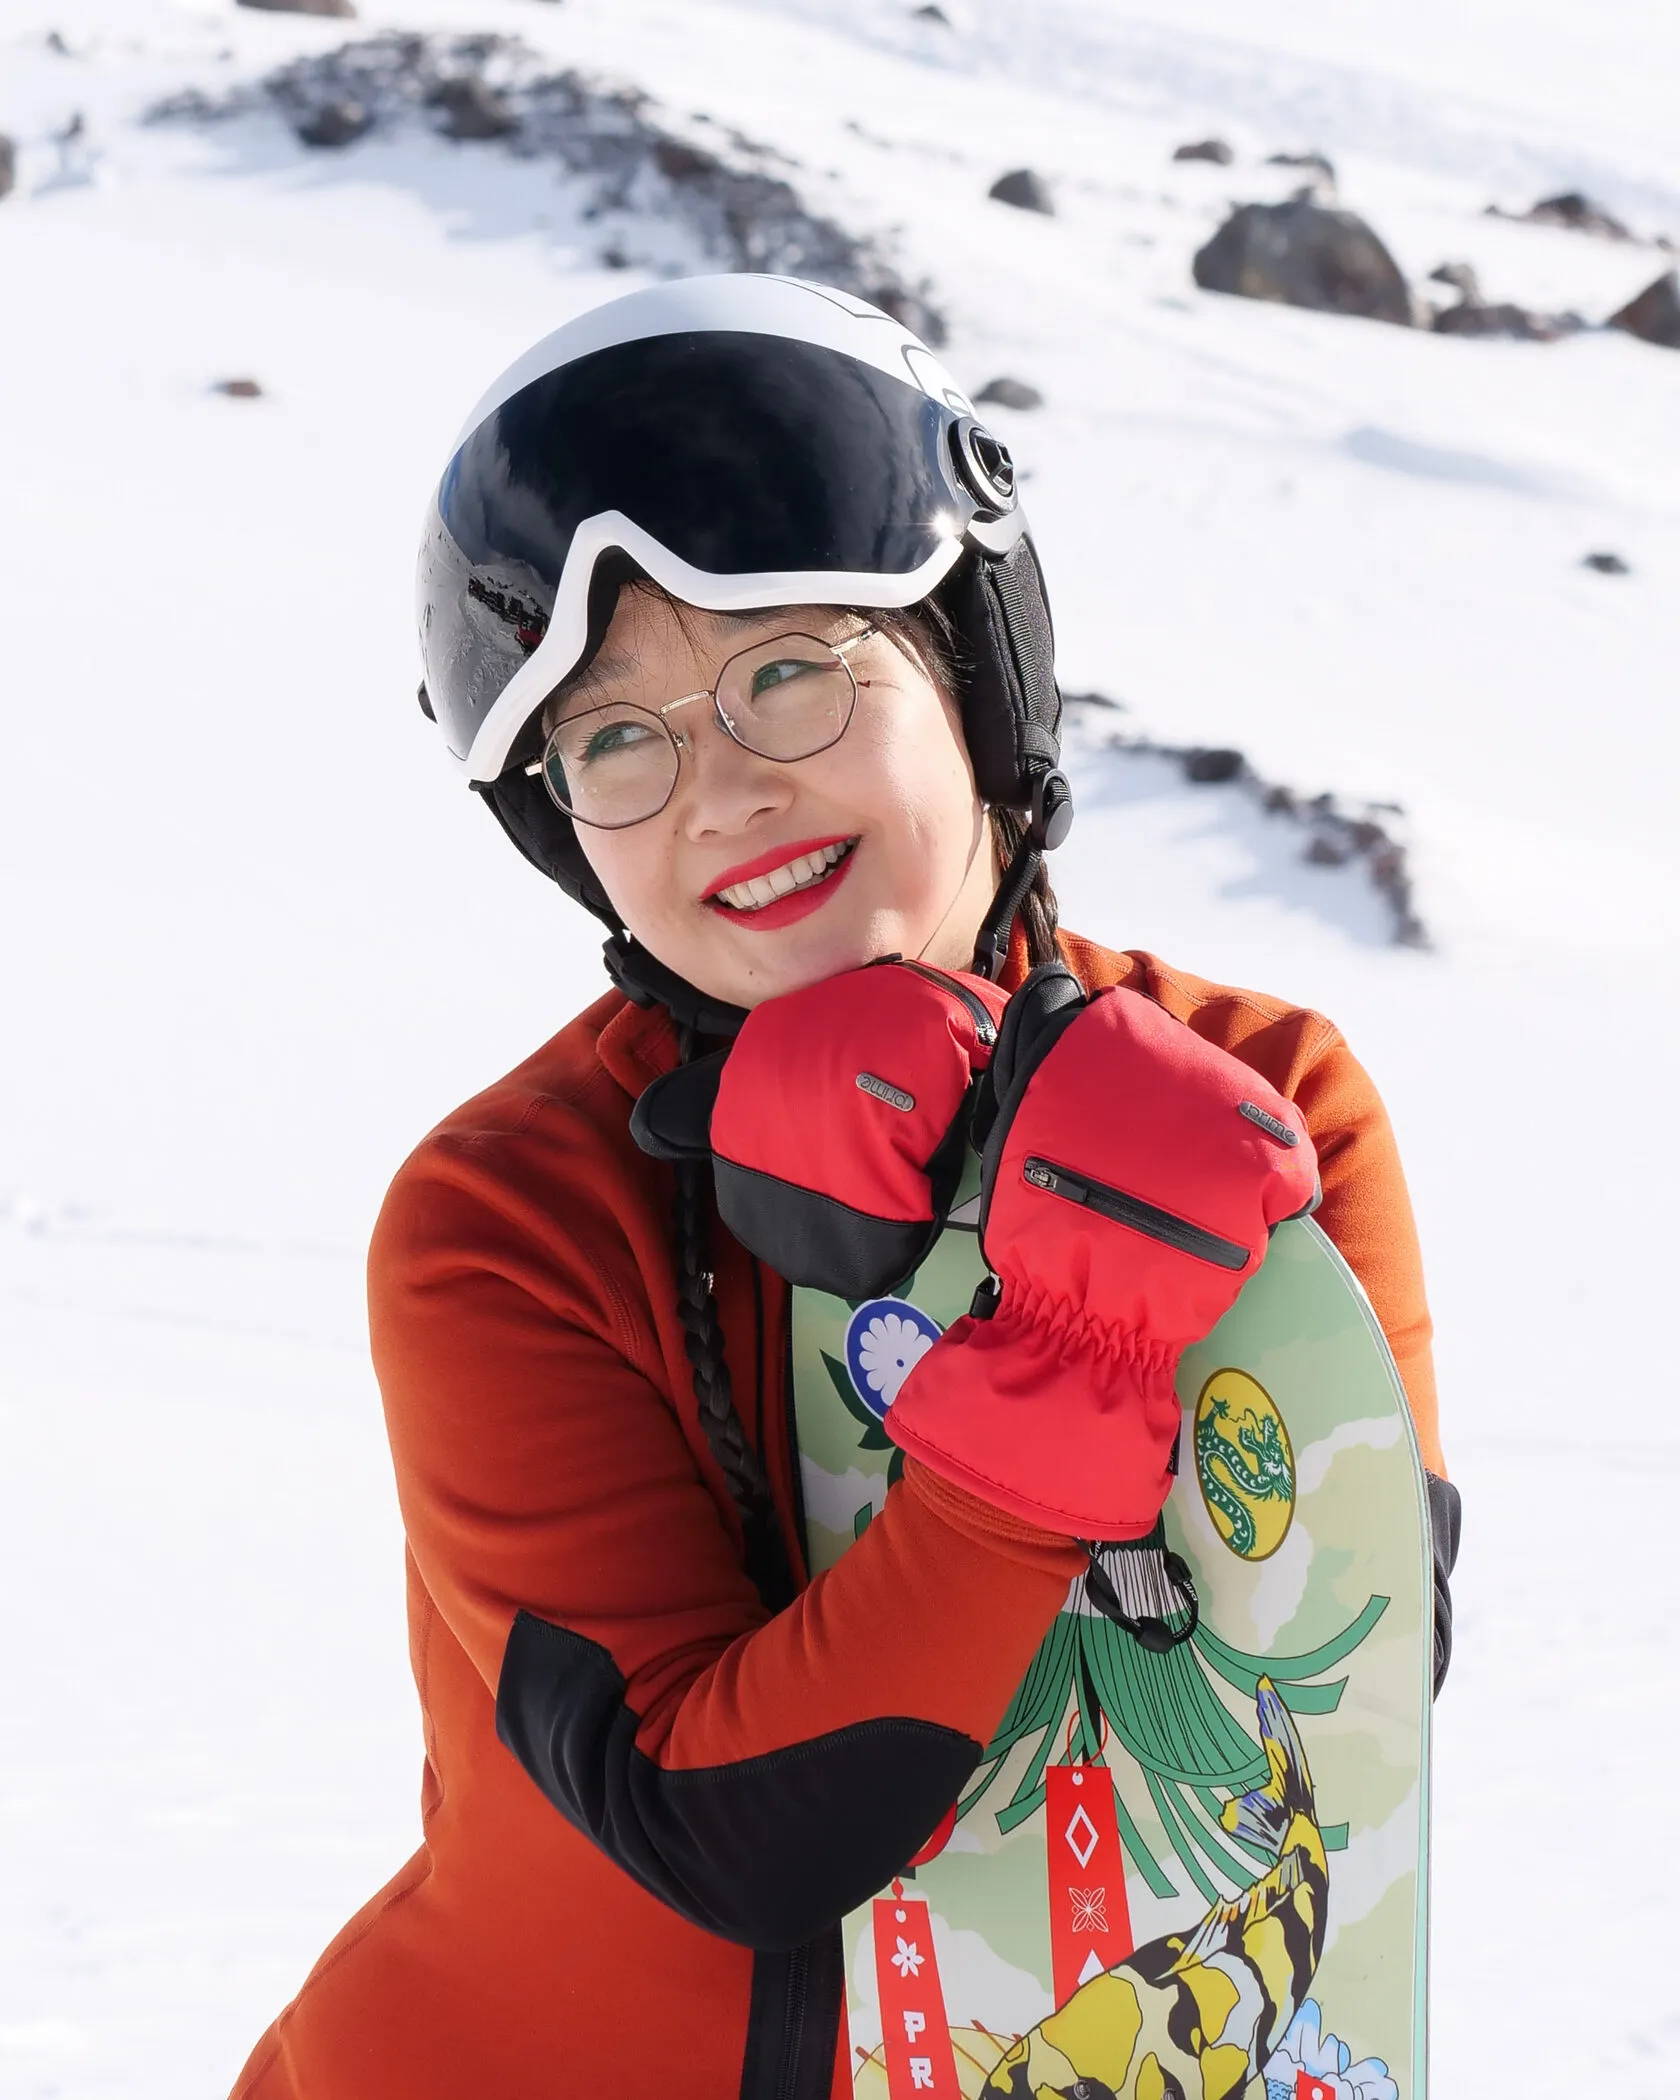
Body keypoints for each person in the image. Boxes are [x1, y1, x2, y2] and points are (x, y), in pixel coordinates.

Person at [230, 275, 1457, 2100]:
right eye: (614, 739)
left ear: (970, 668)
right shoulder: (510, 1218)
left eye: (790, 670)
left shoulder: (1266, 1103)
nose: (718, 791)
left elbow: (1360, 1677)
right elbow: (725, 1833)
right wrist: (1054, 1379)